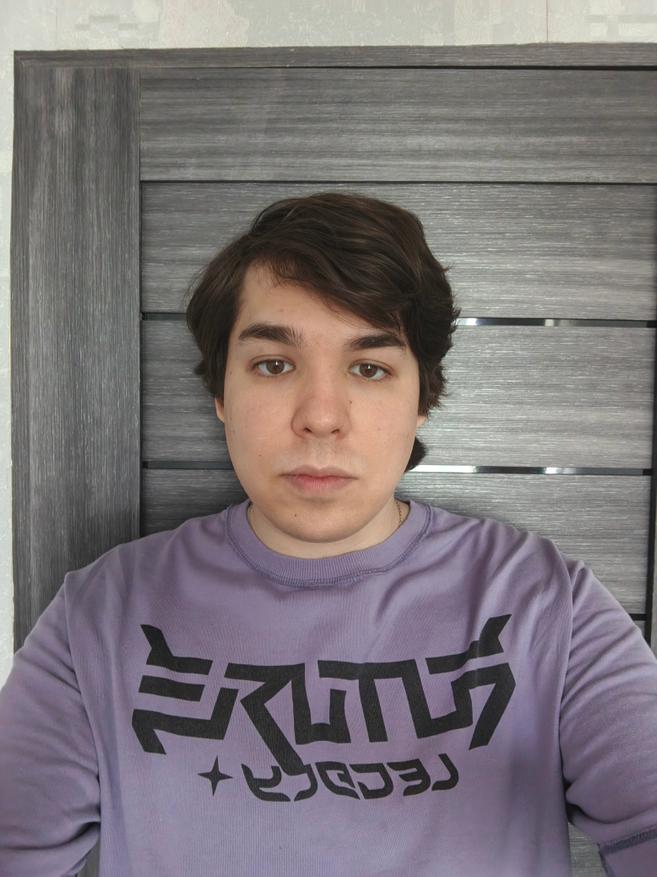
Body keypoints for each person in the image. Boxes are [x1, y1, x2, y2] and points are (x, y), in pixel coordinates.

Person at [0, 192, 656, 877]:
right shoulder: (100, 615)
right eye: (274, 364)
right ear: (220, 394)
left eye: (369, 368)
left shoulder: (546, 603)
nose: (320, 416)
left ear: (421, 398)